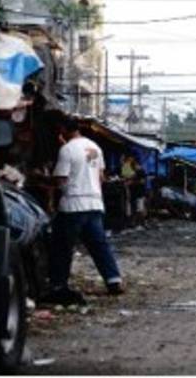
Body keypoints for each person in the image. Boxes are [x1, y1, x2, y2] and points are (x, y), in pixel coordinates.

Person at [45, 119, 124, 302]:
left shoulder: (67, 149)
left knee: (62, 247)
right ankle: (114, 280)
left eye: (61, 130)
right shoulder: (95, 147)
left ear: (65, 129)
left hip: (73, 205)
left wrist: (42, 179)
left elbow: (61, 180)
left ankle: (58, 285)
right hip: (95, 204)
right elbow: (101, 177)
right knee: (99, 245)